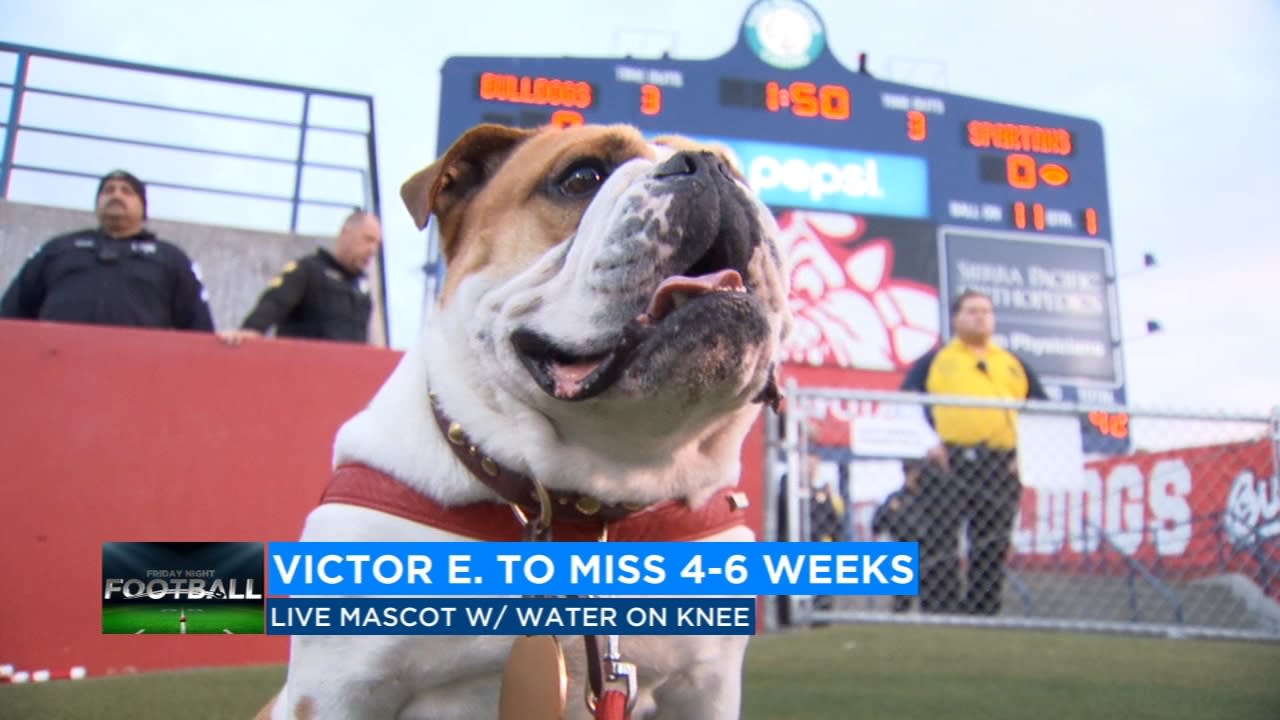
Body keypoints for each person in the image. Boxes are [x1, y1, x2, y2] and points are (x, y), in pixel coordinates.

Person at [900, 289, 1047, 615]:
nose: (980, 316)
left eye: (986, 311)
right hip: (947, 462)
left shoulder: (1012, 364)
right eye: (972, 310)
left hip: (1000, 464)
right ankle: (941, 611)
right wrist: (928, 443)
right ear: (956, 318)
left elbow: (1042, 412)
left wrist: (1025, 456)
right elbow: (907, 405)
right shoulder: (934, 361)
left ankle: (983, 612)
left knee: (992, 541)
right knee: (939, 538)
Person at [1, 170, 214, 331]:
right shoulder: (58, 249)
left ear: (143, 209)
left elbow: (198, 327)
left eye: (127, 191)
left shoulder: (170, 258)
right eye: (108, 190)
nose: (116, 195)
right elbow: (12, 311)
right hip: (56, 366)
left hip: (139, 373)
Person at [218, 210, 381, 345]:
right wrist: (251, 331)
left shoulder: (362, 289)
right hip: (303, 373)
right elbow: (274, 303)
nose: (372, 250)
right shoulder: (308, 271)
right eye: (368, 240)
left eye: (377, 244)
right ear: (346, 233)